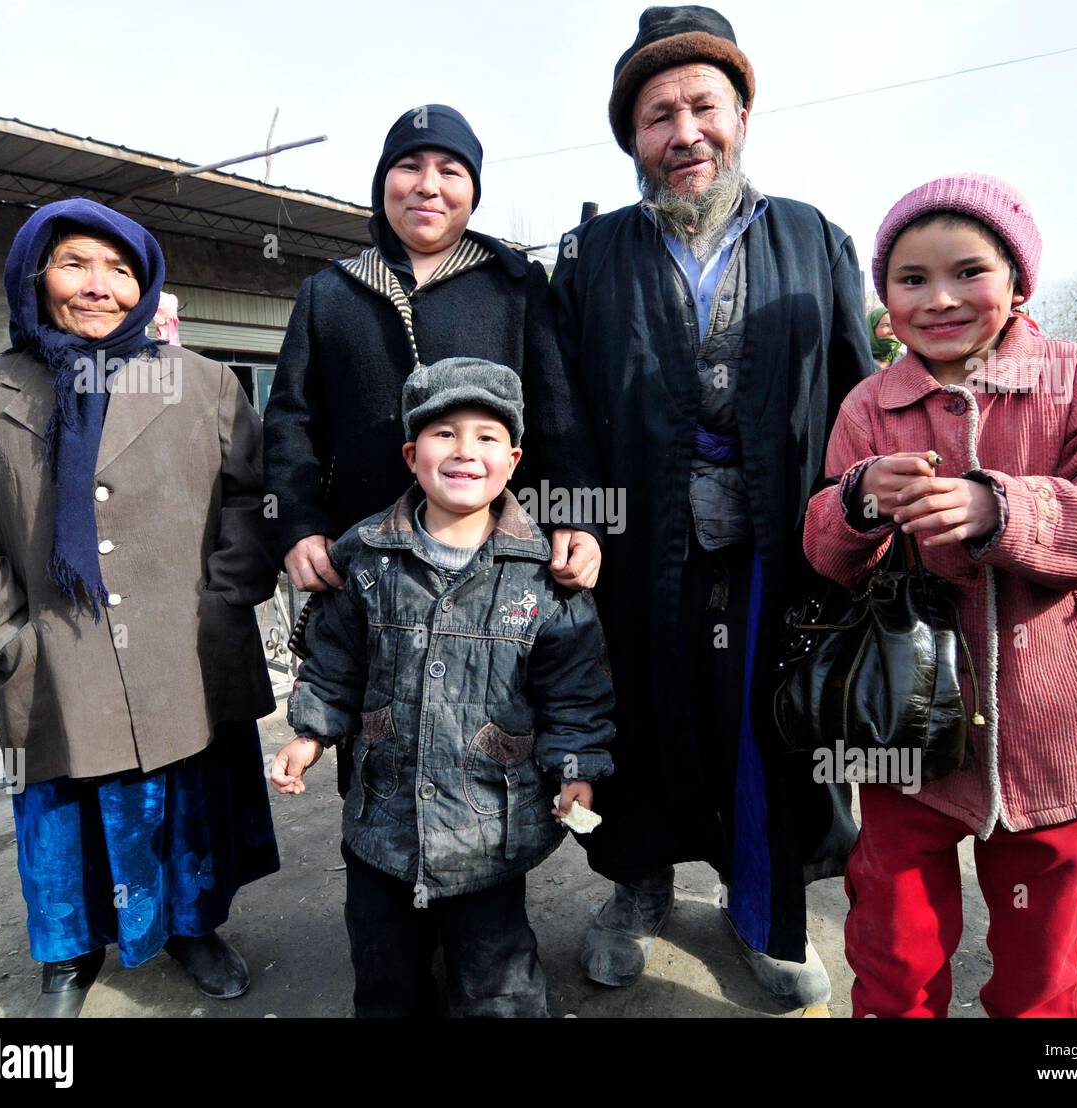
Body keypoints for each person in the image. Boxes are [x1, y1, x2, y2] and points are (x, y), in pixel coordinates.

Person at [804, 174, 1077, 1018]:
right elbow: (825, 546)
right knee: (894, 945)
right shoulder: (871, 403)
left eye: (968, 271)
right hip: (905, 725)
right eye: (911, 279)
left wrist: (1003, 506)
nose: (939, 299)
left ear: (1019, 281)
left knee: (1042, 964)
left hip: (1055, 722)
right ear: (885, 297)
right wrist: (862, 501)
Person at [550, 5, 872, 1009]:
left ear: (741, 114)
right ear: (632, 137)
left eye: (702, 107)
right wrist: (577, 520)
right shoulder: (591, 252)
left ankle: (763, 907)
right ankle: (635, 889)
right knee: (639, 718)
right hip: (636, 541)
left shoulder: (814, 237)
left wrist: (858, 520)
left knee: (766, 728)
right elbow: (561, 405)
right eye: (657, 116)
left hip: (782, 536)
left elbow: (858, 392)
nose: (683, 133)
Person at [0, 198, 280, 1017]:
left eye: (121, 269)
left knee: (186, 804)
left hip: (181, 647)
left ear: (147, 283)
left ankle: (194, 929)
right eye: (75, 263)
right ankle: (68, 955)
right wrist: (0, 628)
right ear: (34, 275)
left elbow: (249, 499)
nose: (100, 286)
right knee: (60, 814)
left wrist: (226, 598)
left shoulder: (203, 383)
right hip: (53, 650)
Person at [271, 358, 614, 1017]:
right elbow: (334, 659)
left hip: (491, 831)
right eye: (443, 433)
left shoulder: (545, 572)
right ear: (410, 453)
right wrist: (310, 734)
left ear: (513, 460)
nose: (465, 451)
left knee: (497, 982)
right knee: (384, 978)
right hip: (383, 821)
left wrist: (576, 772)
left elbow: (576, 690)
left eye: (487, 437)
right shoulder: (366, 554)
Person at [263, 103, 602, 606]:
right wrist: (298, 522)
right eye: (409, 167)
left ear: (472, 192)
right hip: (359, 559)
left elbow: (557, 410)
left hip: (495, 566)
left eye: (450, 171)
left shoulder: (515, 285)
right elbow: (292, 420)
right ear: (383, 183)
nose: (428, 185)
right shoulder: (329, 293)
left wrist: (575, 516)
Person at [869, 306, 901, 370]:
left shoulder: (908, 360)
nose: (892, 331)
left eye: (895, 325)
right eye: (886, 325)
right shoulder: (859, 361)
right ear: (872, 329)